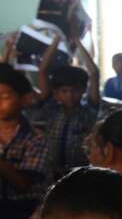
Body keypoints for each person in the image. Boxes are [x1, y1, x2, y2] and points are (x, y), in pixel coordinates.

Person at [0, 65, 48, 219]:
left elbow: (22, 184)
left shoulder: (36, 138)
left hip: (21, 212)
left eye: (4, 96)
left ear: (23, 99)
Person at [35, 34, 99, 178]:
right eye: (64, 91)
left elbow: (94, 74)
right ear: (56, 93)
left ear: (83, 90)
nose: (70, 95)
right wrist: (56, 41)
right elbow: (42, 71)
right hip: (51, 174)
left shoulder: (89, 112)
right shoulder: (50, 109)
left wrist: (77, 40)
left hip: (80, 174)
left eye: (75, 90)